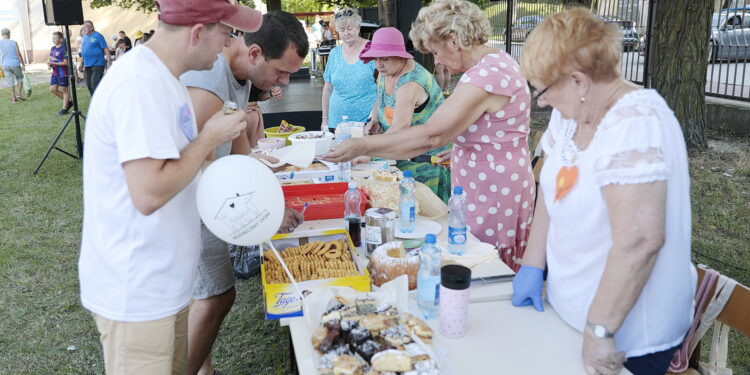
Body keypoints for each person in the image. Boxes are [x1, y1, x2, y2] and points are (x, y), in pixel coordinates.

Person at [78, 0, 261, 373]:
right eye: (226, 35)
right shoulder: (139, 84)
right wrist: (209, 138)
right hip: (138, 291)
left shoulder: (165, 80)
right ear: (197, 33)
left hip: (164, 285)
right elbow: (148, 193)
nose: (228, 45)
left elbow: (184, 169)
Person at [510, 8, 696, 375]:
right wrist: (533, 263)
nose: (541, 102)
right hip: (567, 311)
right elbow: (552, 190)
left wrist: (600, 328)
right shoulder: (572, 115)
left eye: (543, 91)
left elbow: (641, 240)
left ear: (579, 81)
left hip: (624, 333)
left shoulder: (637, 123)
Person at [324, 0, 534, 271]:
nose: (436, 61)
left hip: (493, 190)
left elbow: (431, 136)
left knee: (485, 265)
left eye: (435, 51)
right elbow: (492, 130)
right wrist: (464, 149)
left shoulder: (487, 75)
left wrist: (362, 145)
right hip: (491, 181)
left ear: (454, 40)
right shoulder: (495, 63)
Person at [179, 11, 308, 375]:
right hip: (193, 201)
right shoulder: (208, 83)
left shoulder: (240, 77)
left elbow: (240, 150)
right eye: (281, 71)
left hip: (209, 196)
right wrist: (259, 212)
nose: (284, 81)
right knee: (217, 295)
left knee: (202, 295)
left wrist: (271, 201)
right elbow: (194, 163)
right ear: (254, 54)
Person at [358, 27, 452, 202]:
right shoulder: (385, 72)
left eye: (384, 59)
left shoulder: (410, 84)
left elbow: (401, 127)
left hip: (424, 160)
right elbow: (380, 97)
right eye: (376, 58)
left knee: (419, 213)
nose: (378, 64)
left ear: (400, 56)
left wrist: (367, 150)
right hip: (397, 151)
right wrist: (375, 119)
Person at [321, 9, 376, 132]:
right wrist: (325, 119)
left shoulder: (372, 50)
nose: (346, 33)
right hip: (336, 121)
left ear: (358, 27)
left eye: (349, 28)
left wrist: (376, 118)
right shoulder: (334, 54)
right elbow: (327, 88)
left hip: (367, 122)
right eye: (342, 30)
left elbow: (383, 86)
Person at [79, 20, 112, 95]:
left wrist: (109, 62)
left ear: (92, 27)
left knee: (94, 83)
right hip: (87, 64)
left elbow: (106, 49)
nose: (84, 29)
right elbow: (84, 52)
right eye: (83, 28)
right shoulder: (84, 38)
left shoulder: (98, 36)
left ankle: (100, 100)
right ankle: (95, 101)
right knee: (89, 85)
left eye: (86, 27)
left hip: (98, 63)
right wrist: (81, 64)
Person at [0, 28, 27, 103]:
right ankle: (19, 93)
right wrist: (23, 64)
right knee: (19, 78)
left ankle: (13, 98)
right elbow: (18, 54)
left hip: (5, 64)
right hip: (15, 63)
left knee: (10, 82)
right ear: (9, 34)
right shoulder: (14, 42)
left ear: (2, 35)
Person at [48, 31, 71, 115]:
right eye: (52, 38)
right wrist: (49, 63)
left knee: (64, 90)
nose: (53, 39)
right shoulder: (53, 48)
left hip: (62, 73)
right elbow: (50, 58)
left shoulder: (64, 49)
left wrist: (54, 63)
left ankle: (64, 109)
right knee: (53, 89)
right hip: (55, 72)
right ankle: (69, 102)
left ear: (61, 39)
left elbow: (66, 63)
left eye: (55, 38)